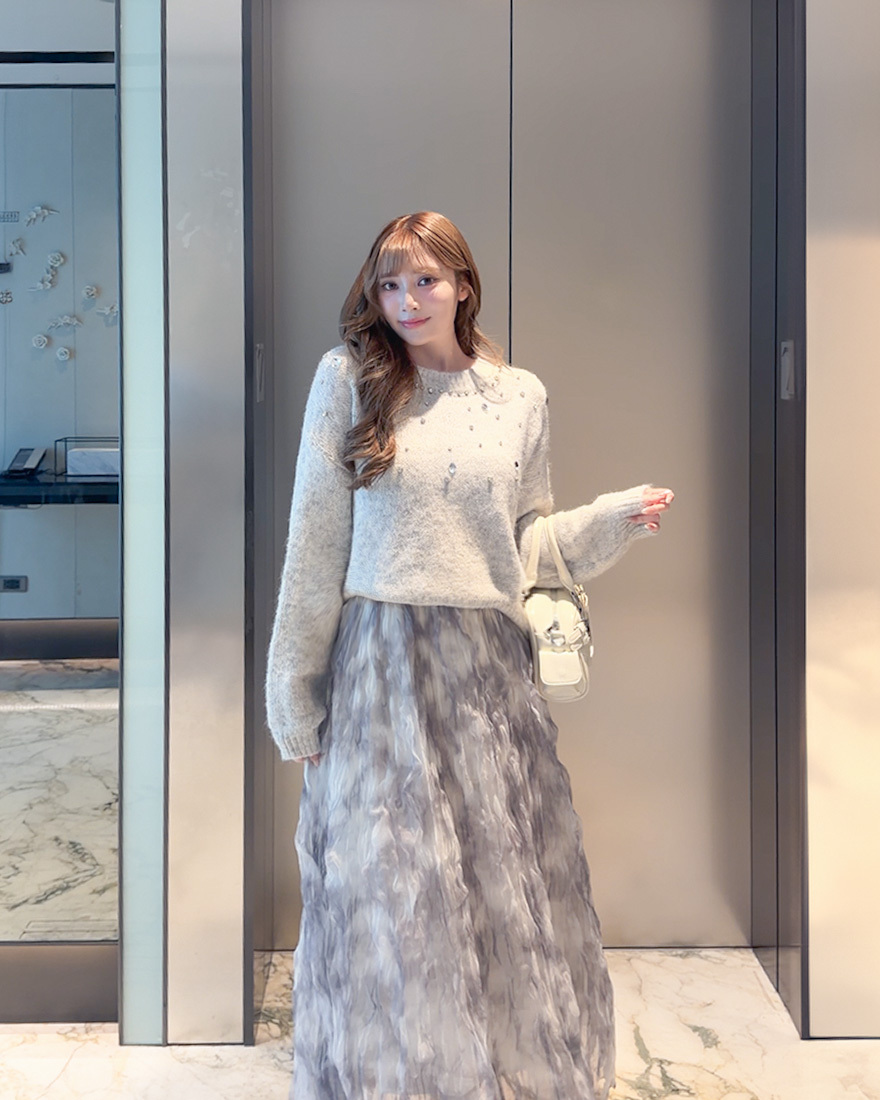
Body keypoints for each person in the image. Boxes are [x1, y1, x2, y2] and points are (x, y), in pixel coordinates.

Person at [265, 211, 674, 1100]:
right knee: (389, 890)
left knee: (496, 883)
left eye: (425, 280)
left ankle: (486, 1076)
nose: (407, 301)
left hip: (485, 671)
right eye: (389, 284)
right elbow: (314, 543)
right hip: (379, 669)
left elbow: (524, 546)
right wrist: (295, 695)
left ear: (462, 285)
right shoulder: (349, 380)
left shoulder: (517, 397)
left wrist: (609, 521)